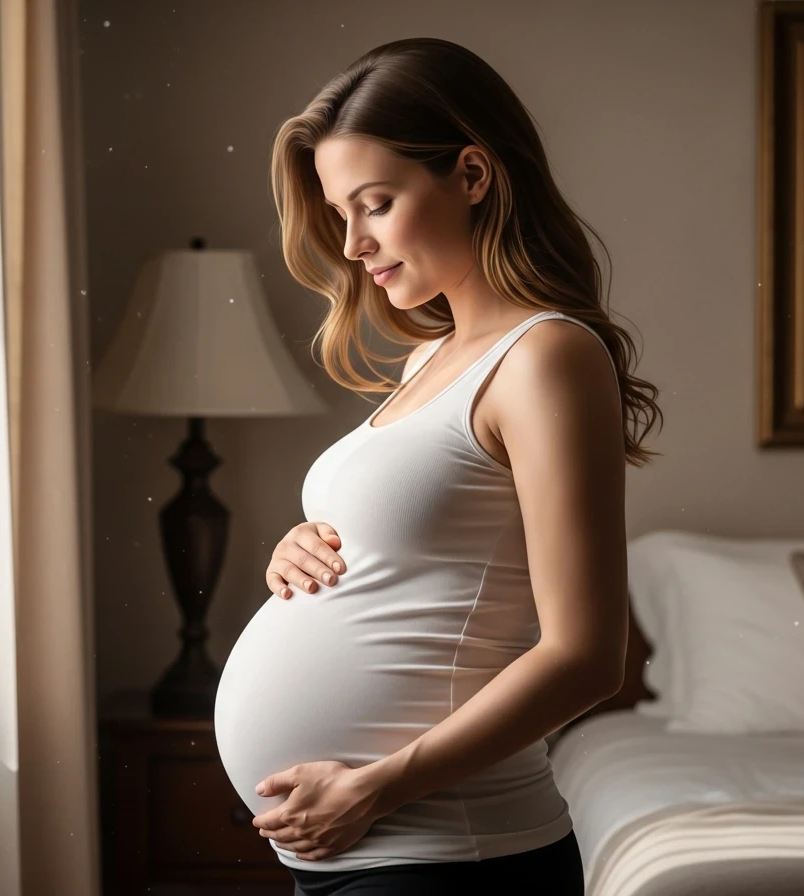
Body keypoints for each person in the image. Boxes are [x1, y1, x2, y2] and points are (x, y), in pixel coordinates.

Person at [211, 36, 663, 896]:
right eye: (340, 213)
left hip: (449, 854)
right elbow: (430, 546)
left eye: (376, 205)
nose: (353, 244)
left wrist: (377, 787)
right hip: (375, 858)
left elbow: (585, 656)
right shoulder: (432, 358)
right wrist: (302, 553)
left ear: (472, 175)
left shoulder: (546, 355)